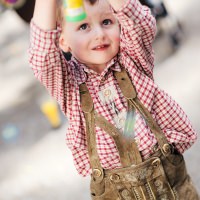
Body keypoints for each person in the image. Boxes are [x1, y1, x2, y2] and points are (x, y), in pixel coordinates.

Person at [29, 0, 199, 199]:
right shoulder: (69, 86)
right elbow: (42, 55)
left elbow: (138, 22)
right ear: (63, 40)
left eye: (107, 22)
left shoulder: (133, 60)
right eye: (83, 26)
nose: (99, 34)